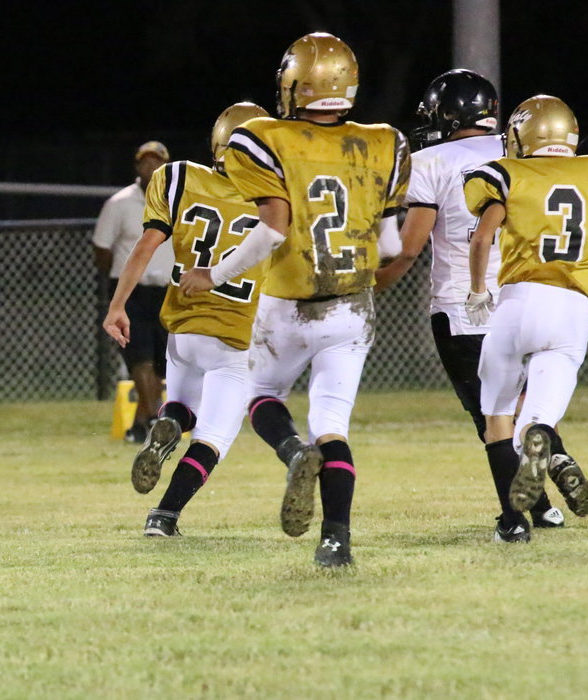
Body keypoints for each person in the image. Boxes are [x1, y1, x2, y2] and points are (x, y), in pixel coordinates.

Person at [180, 32, 408, 567]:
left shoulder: (263, 137)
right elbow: (393, 247)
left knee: (261, 393)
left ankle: (293, 452)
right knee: (332, 423)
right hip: (351, 306)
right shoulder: (386, 142)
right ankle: (336, 542)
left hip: (287, 302)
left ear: (293, 83)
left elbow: (273, 229)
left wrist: (213, 274)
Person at [375, 70, 565, 539]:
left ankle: (515, 519)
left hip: (463, 305)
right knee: (523, 406)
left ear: (447, 113)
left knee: (492, 419)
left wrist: (376, 283)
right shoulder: (516, 149)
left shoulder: (430, 161)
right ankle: (544, 504)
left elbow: (409, 248)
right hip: (526, 296)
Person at [464, 95, 588, 541]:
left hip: (519, 302)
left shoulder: (508, 174)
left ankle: (513, 523)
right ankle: (540, 437)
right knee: (536, 419)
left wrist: (478, 290)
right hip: (573, 309)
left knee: (497, 416)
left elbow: (481, 239)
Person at [103, 102, 269, 536]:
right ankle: (164, 515)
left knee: (182, 406)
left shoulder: (178, 177)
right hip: (234, 332)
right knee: (215, 436)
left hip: (183, 325)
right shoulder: (275, 200)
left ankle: (171, 421)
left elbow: (145, 245)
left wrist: (117, 305)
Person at [93, 141, 173, 442]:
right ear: (137, 166)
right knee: (140, 355)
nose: (151, 167)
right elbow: (102, 249)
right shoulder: (119, 203)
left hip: (167, 290)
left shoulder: (177, 200)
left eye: (157, 162)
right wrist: (117, 283)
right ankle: (154, 417)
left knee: (161, 361)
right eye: (145, 162)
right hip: (132, 292)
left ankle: (141, 424)